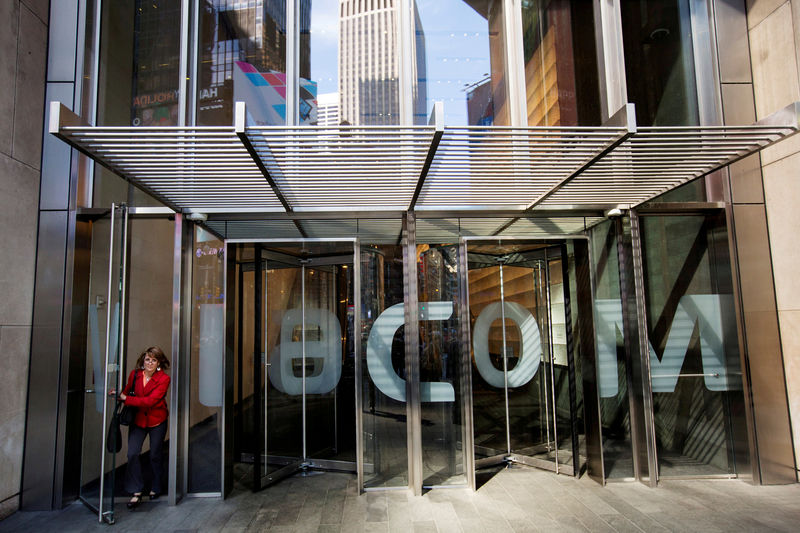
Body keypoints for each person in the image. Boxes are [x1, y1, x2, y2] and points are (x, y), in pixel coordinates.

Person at [114, 346, 171, 509]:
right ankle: (135, 490)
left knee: (155, 454)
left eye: (154, 360)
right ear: (143, 360)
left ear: (159, 362)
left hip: (157, 420)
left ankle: (156, 486)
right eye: (147, 359)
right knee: (132, 453)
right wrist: (118, 395)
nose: (150, 363)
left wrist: (127, 399)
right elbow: (126, 393)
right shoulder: (135, 375)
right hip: (138, 420)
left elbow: (151, 401)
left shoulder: (163, 379)